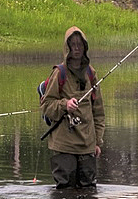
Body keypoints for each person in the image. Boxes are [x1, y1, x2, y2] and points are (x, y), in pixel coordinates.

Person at [39, 26, 104, 188]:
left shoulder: (91, 73)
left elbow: (98, 112)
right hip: (64, 144)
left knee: (89, 189)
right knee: (65, 189)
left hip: (87, 144)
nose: (76, 49)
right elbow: (46, 105)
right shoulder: (59, 73)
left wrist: (97, 142)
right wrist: (64, 105)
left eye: (80, 45)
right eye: (72, 45)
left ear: (85, 47)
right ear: (67, 47)